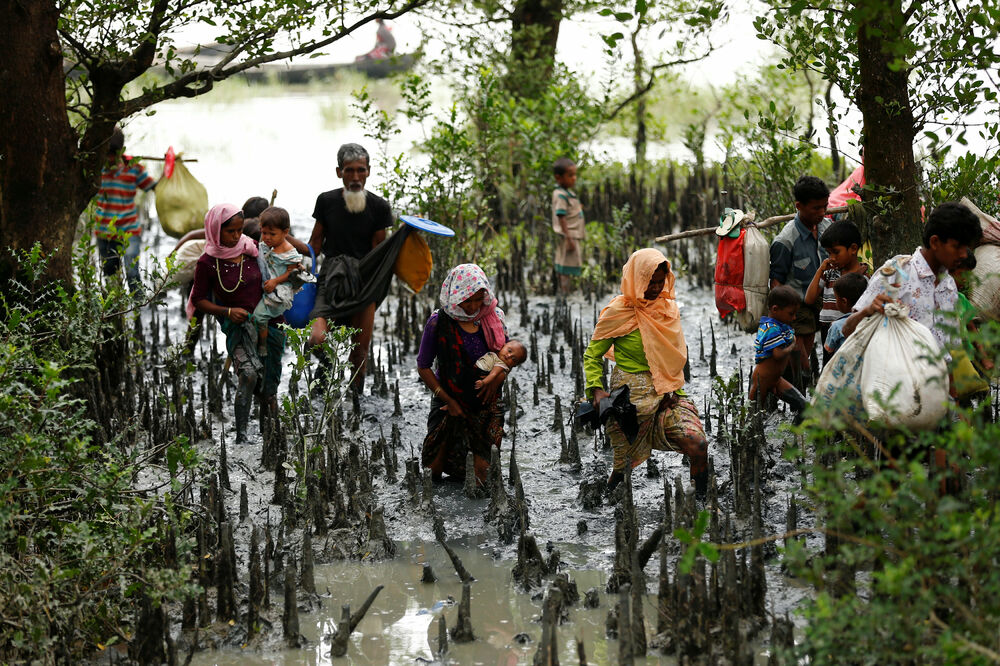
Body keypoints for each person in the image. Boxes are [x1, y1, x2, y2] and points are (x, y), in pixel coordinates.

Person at [583, 248, 708, 495]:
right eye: (649, 282)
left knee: (698, 444)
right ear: (636, 279)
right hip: (630, 403)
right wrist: (596, 390)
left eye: (661, 282)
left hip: (668, 396)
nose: (655, 288)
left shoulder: (666, 309)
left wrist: (671, 391)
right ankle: (610, 500)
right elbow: (592, 356)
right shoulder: (618, 312)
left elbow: (670, 361)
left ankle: (702, 503)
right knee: (622, 469)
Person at [190, 204, 287, 444]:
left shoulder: (252, 249)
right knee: (248, 374)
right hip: (238, 327)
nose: (236, 236)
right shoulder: (207, 263)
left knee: (268, 385)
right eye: (230, 231)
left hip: (271, 323)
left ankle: (269, 436)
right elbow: (198, 300)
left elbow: (281, 259)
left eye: (239, 230)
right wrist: (227, 311)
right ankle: (241, 437)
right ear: (214, 230)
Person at [843, 201, 983, 355]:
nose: (963, 255)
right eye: (957, 247)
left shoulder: (949, 286)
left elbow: (948, 354)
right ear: (935, 242)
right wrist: (867, 311)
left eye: (966, 248)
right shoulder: (896, 273)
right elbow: (847, 330)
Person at [307, 143, 393, 392]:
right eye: (349, 171)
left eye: (360, 170)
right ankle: (325, 376)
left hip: (363, 283)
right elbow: (315, 243)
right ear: (338, 172)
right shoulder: (326, 201)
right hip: (330, 279)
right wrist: (289, 258)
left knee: (359, 353)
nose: (355, 177)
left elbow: (380, 252)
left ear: (368, 171)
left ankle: (356, 403)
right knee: (317, 339)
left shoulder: (379, 207)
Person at [417, 264, 509, 484]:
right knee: (433, 472)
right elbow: (423, 366)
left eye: (479, 299)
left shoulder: (494, 317)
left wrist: (492, 380)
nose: (474, 306)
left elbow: (505, 359)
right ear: (455, 295)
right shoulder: (438, 322)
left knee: (482, 477)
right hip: (448, 397)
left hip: (485, 400)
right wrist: (448, 399)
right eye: (467, 301)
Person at [769, 175, 833, 380]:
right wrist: (781, 321)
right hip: (799, 303)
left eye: (825, 206)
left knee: (832, 347)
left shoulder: (827, 228)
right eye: (816, 208)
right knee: (802, 355)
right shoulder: (785, 240)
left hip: (825, 297)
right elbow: (776, 282)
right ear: (799, 206)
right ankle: (803, 385)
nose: (822, 212)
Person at [94, 125, 157, 294]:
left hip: (129, 231)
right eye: (106, 154)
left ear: (121, 150)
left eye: (113, 154)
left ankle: (137, 312)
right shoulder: (96, 168)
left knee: (132, 273)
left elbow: (155, 187)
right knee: (110, 275)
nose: (110, 158)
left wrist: (171, 169)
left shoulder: (134, 168)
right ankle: (116, 316)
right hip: (104, 232)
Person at [252, 207, 315, 357]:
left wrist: (275, 282)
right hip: (269, 283)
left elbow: (290, 273)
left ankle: (262, 345)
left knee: (258, 316)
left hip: (280, 290)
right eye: (264, 232)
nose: (267, 237)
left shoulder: (289, 252)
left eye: (272, 234)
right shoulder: (268, 245)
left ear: (286, 232)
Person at [803, 220, 869, 364]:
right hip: (827, 329)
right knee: (829, 366)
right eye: (829, 253)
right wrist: (820, 270)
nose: (832, 258)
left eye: (836, 252)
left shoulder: (863, 278)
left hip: (850, 331)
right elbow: (809, 299)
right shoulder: (829, 274)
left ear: (853, 248)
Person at [749, 286, 810, 421]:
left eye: (795, 314)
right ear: (775, 309)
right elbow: (778, 354)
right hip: (762, 381)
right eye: (791, 313)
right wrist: (792, 345)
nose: (794, 317)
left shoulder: (780, 326)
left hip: (776, 380)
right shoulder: (771, 329)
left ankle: (796, 438)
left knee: (804, 406)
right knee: (753, 417)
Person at [551, 158, 586, 293]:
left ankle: (567, 290)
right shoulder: (560, 195)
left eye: (575, 175)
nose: (574, 178)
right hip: (568, 234)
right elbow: (561, 216)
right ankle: (564, 291)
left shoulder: (568, 193)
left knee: (569, 263)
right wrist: (568, 238)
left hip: (572, 234)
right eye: (570, 175)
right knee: (565, 265)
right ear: (558, 178)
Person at [822, 272, 868, 357]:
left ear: (844, 301)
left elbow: (828, 349)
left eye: (836, 298)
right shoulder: (869, 321)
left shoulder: (837, 325)